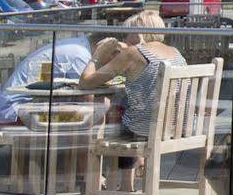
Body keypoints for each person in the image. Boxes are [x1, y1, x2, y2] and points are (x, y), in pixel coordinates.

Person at [79, 10, 185, 139]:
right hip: (177, 127)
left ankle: (100, 154)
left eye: (127, 34)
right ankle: (139, 159)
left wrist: (97, 55)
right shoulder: (176, 53)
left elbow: (85, 82)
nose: (125, 39)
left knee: (109, 113)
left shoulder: (133, 53)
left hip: (144, 129)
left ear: (137, 34)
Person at [0, 34, 95, 126]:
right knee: (85, 114)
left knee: (82, 114)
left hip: (22, 110)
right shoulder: (81, 54)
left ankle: (81, 150)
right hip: (12, 114)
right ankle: (84, 150)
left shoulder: (77, 47)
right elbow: (87, 95)